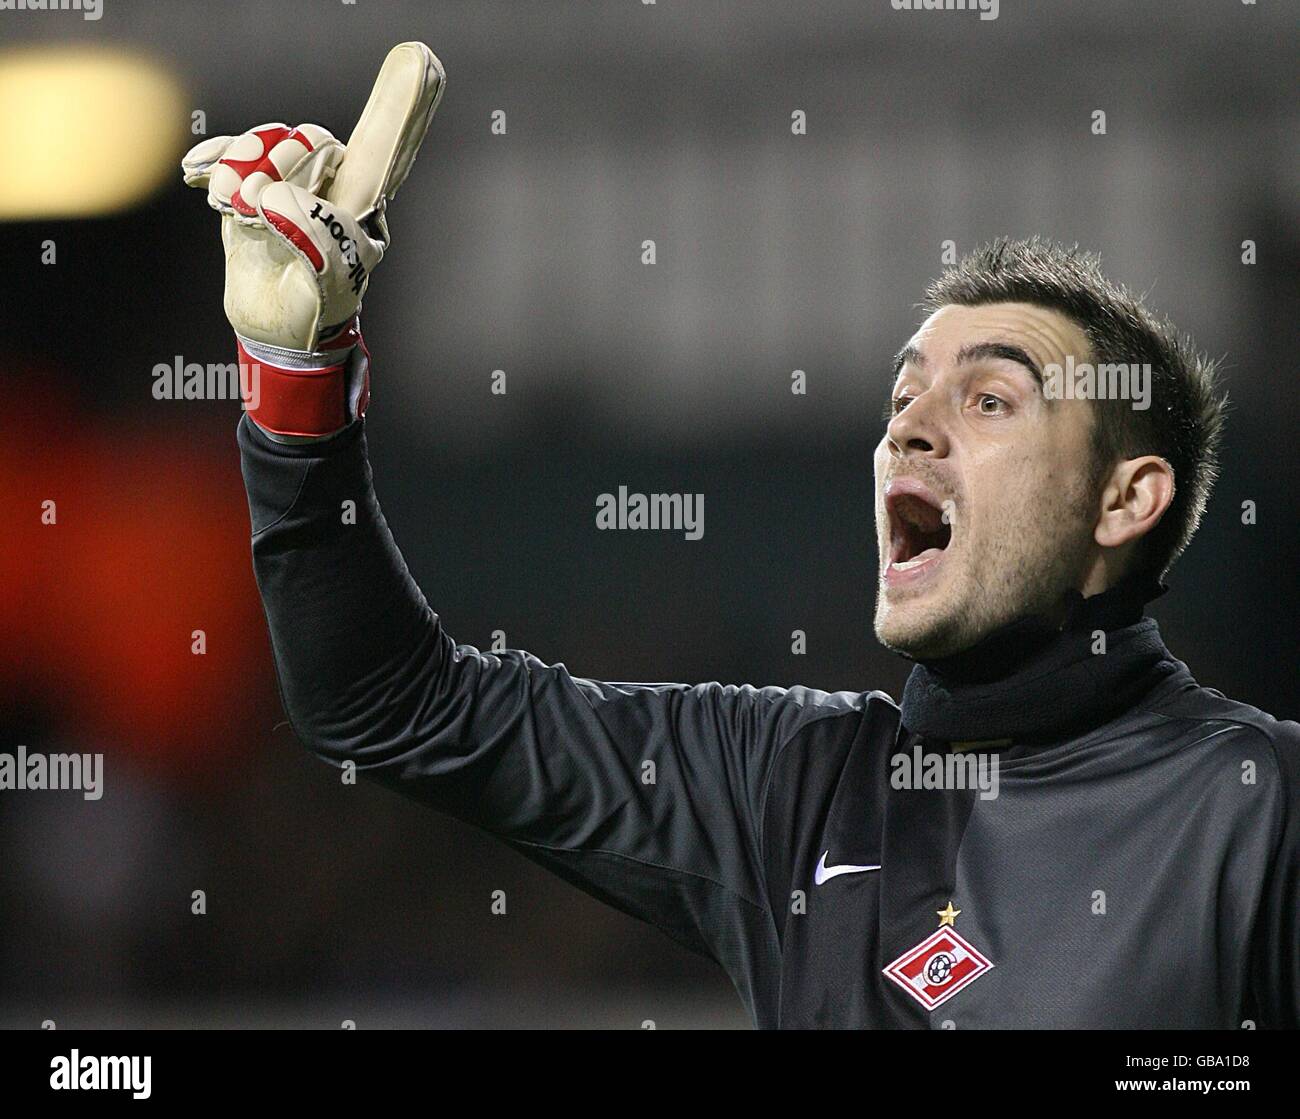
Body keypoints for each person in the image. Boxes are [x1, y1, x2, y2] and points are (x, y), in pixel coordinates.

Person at [182, 46, 1298, 1028]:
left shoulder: (1258, 805)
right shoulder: (790, 789)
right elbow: (387, 705)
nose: (910, 426)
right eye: (902, 397)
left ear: (1125, 501)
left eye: (990, 399)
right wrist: (299, 378)